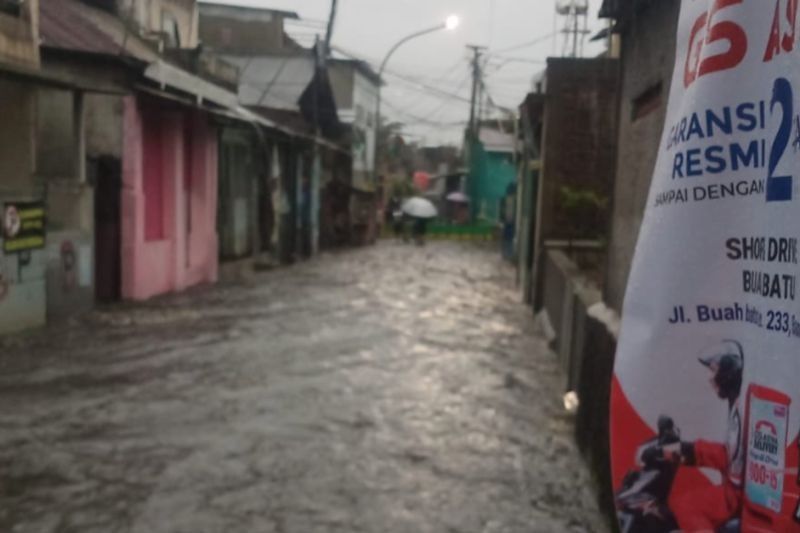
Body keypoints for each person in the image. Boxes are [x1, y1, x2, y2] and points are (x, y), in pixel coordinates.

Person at [658, 340, 745, 531]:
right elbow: (729, 455)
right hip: (735, 492)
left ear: (728, 373)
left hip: (735, 497)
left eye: (714, 371)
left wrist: (689, 451)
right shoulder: (737, 406)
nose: (711, 378)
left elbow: (729, 459)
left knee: (687, 506)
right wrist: (685, 450)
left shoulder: (740, 413)